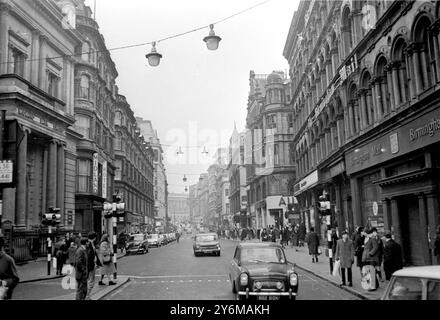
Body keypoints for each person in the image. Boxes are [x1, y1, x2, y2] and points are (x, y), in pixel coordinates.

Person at [86, 232, 101, 299]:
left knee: (89, 280)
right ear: (94, 237)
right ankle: (87, 296)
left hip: (90, 264)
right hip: (90, 265)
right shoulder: (89, 244)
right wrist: (94, 261)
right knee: (91, 281)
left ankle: (87, 295)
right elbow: (89, 255)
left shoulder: (90, 244)